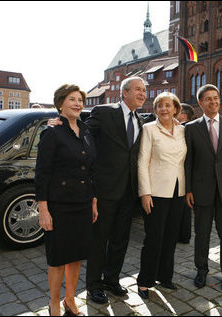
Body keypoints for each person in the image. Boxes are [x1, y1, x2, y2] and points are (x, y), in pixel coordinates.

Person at [47, 76, 146, 304]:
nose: (142, 94)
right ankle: (94, 285)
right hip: (104, 189)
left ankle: (112, 280)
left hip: (128, 191)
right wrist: (60, 123)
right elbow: (82, 131)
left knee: (121, 239)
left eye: (144, 90)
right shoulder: (104, 112)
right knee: (99, 240)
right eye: (138, 90)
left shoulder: (139, 120)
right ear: (124, 92)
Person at [35, 83, 98, 316]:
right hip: (58, 205)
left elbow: (91, 171)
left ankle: (70, 300)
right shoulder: (52, 133)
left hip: (82, 203)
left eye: (80, 100)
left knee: (77, 255)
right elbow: (42, 174)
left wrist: (93, 201)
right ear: (60, 103)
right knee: (58, 258)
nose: (77, 104)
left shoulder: (87, 131)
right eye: (72, 99)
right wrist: (43, 209)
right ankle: (53, 302)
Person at [185, 84, 222, 292]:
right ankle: (201, 271)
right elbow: (188, 162)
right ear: (200, 103)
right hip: (201, 192)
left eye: (216, 98)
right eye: (208, 99)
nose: (213, 102)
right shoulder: (191, 128)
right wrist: (189, 189)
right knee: (201, 235)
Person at [136, 92, 187, 299]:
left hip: (178, 191)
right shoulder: (149, 129)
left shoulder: (183, 130)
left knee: (170, 238)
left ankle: (165, 277)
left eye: (168, 105)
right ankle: (144, 281)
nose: (164, 109)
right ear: (155, 109)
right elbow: (142, 162)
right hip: (155, 192)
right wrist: (144, 193)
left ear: (176, 109)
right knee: (154, 238)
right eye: (159, 106)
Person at [177, 103, 195, 244]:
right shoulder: (193, 127)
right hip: (190, 172)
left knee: (182, 205)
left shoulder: (183, 128)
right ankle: (185, 234)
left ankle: (182, 234)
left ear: (183, 115)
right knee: (186, 207)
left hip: (182, 171)